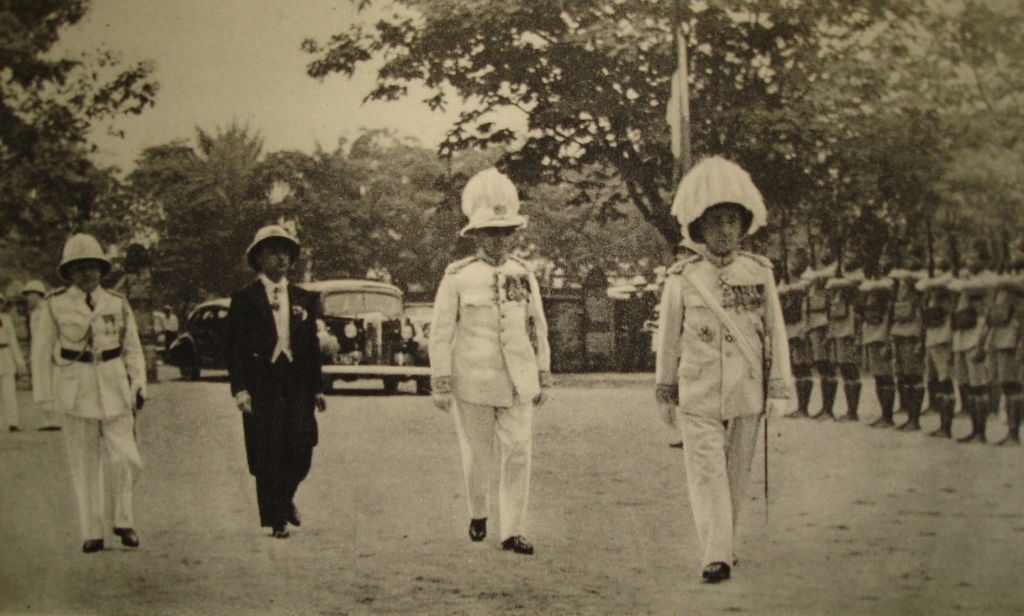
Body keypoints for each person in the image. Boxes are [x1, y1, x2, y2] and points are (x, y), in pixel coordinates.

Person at [654, 157, 793, 583]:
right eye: (717, 222)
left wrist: (779, 389)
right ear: (700, 227)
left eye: (733, 221)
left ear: (743, 225)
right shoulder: (683, 278)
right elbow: (669, 339)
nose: (726, 230)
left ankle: (724, 543)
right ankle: (715, 553)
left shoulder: (759, 273)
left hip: (746, 388)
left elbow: (775, 331)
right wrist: (665, 388)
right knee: (706, 472)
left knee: (736, 473)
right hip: (698, 390)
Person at [429, 167, 551, 556]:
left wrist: (542, 373)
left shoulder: (523, 275)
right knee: (477, 455)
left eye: (505, 233)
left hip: (517, 380)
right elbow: (441, 331)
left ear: (514, 235)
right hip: (474, 379)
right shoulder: (458, 277)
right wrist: (441, 378)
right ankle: (478, 511)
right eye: (490, 233)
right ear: (476, 236)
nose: (498, 241)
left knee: (518, 451)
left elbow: (536, 327)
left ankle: (513, 530)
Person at [31, 233, 146, 553]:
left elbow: (132, 349)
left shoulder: (117, 303)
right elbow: (41, 354)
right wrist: (45, 399)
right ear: (68, 273)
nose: (87, 273)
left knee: (127, 459)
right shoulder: (54, 305)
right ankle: (92, 530)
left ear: (102, 269)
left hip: (113, 385)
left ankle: (123, 520)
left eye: (92, 266)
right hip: (75, 387)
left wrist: (138, 383)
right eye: (78, 267)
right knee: (84, 464)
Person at [225, 224, 327, 538]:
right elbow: (235, 347)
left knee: (303, 445)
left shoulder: (304, 299)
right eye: (272, 252)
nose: (280, 258)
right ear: (259, 259)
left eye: (285, 252)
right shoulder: (244, 299)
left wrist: (318, 387)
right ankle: (276, 517)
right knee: (267, 449)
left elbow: (310, 346)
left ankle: (284, 498)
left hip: (296, 380)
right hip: (261, 382)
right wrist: (240, 389)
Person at [949, 241, 995, 443]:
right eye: (967, 258)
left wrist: (959, 279)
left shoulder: (987, 279)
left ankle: (981, 432)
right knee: (967, 385)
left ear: (984, 261)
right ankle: (975, 429)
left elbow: (960, 286)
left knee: (979, 386)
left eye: (973, 258)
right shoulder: (970, 278)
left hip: (977, 334)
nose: (969, 262)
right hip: (962, 334)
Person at [822, 247, 865, 422]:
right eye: (845, 256)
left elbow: (846, 283)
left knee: (850, 367)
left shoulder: (858, 275)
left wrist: (835, 278)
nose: (848, 259)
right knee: (842, 366)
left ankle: (853, 412)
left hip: (850, 326)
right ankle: (849, 410)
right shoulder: (840, 275)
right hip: (838, 324)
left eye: (851, 255)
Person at [889, 255, 927, 431]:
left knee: (914, 378)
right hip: (900, 335)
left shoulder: (917, 288)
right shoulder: (900, 288)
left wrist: (920, 340)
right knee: (904, 377)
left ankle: (915, 419)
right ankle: (910, 417)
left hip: (912, 336)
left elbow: (920, 317)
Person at [917, 267, 957, 438]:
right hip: (933, 337)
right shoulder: (931, 291)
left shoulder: (949, 287)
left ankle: (947, 427)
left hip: (943, 337)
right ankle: (942, 425)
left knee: (945, 381)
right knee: (937, 383)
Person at [779, 248, 815, 419]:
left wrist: (786, 289)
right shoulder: (787, 277)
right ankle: (798, 406)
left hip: (802, 322)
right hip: (790, 322)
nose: (792, 264)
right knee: (794, 366)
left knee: (802, 364)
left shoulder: (808, 275)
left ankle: (804, 407)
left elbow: (801, 288)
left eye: (795, 260)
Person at [803, 249, 838, 419]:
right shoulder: (814, 277)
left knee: (826, 365)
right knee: (820, 364)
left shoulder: (830, 272)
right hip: (813, 322)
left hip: (824, 322)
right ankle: (825, 408)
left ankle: (828, 409)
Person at [23, 280, 61, 431]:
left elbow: (55, 335)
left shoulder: (49, 310)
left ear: (37, 294)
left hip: (50, 352)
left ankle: (55, 419)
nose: (28, 299)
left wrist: (55, 351)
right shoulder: (34, 314)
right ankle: (46, 419)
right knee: (40, 384)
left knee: (52, 384)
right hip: (38, 353)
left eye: (30, 295)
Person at [0, 291, 27, 432]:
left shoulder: (6, 319)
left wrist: (20, 363)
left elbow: (13, 342)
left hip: (5, 356)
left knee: (9, 392)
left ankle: (13, 422)